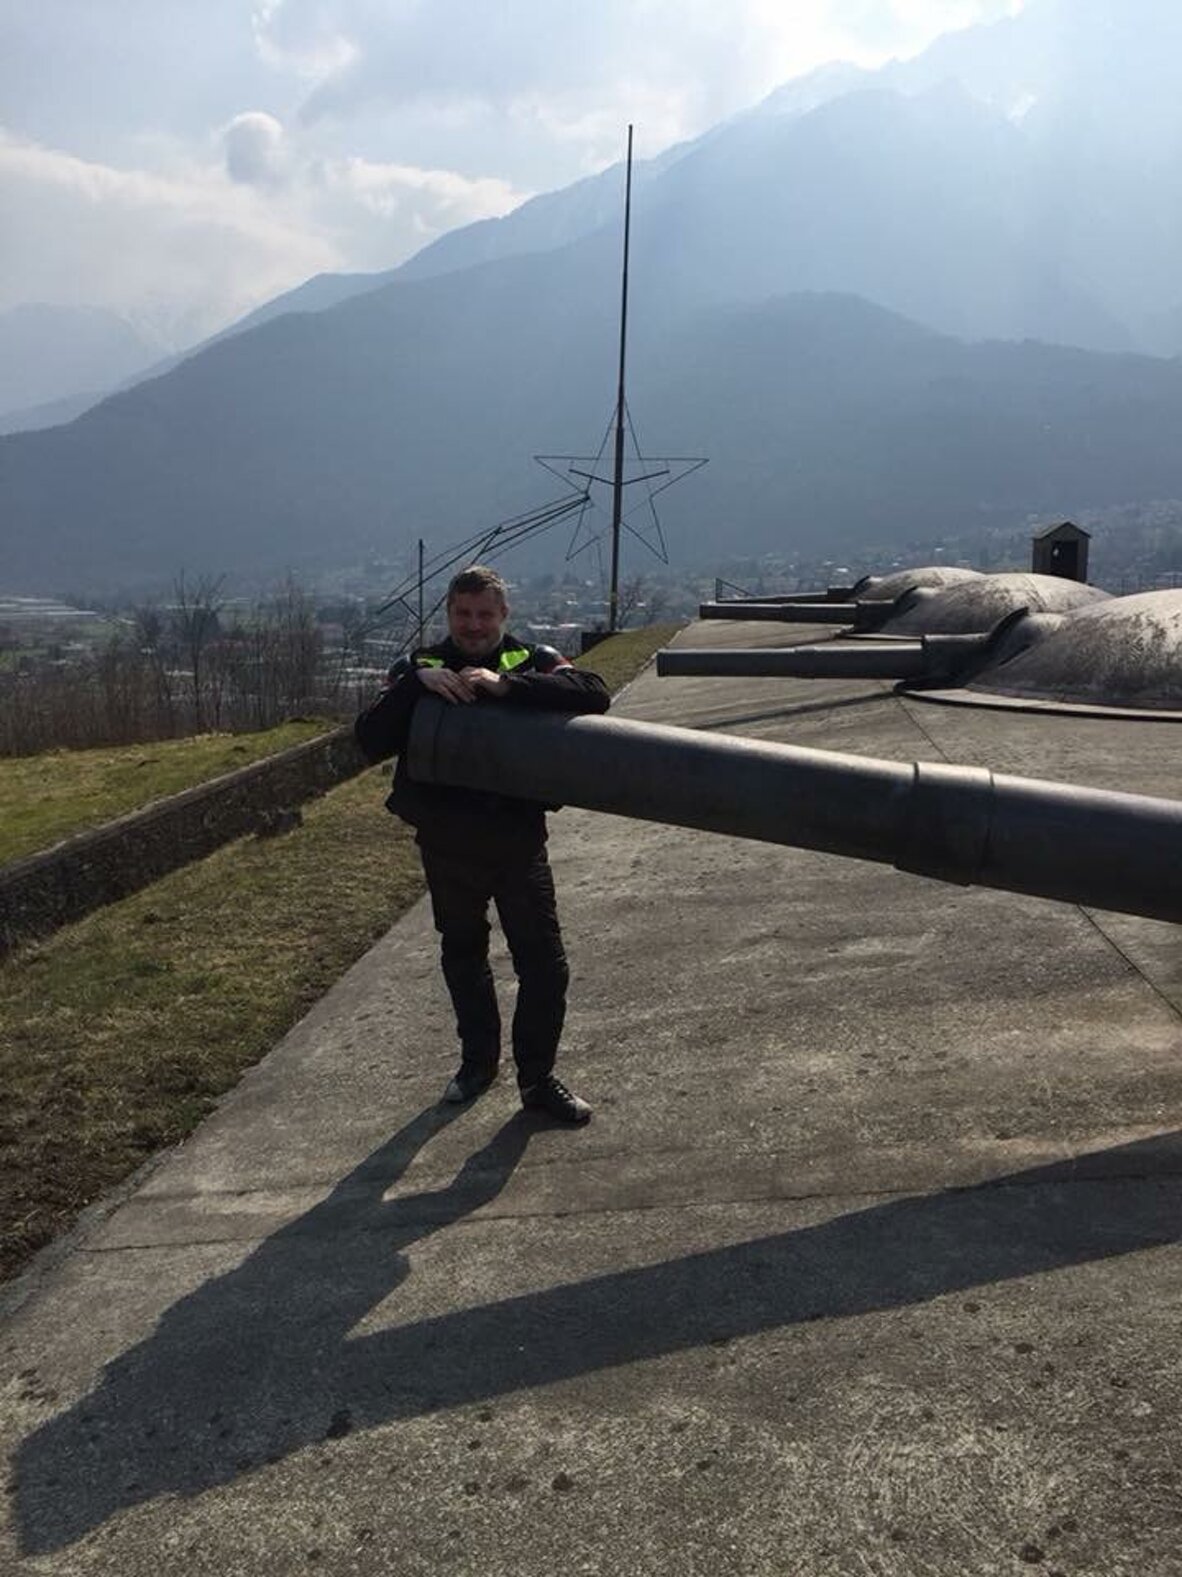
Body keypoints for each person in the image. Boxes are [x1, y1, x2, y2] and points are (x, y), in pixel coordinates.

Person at [354, 565, 610, 1124]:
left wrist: (508, 686)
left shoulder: (533, 658)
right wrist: (416, 686)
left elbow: (595, 693)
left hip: (518, 842)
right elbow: (369, 738)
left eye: (485, 614)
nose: (473, 625)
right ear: (449, 613)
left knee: (545, 966)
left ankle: (537, 1080)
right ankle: (477, 1065)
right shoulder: (419, 665)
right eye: (463, 614)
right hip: (447, 844)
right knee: (463, 956)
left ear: (503, 615)